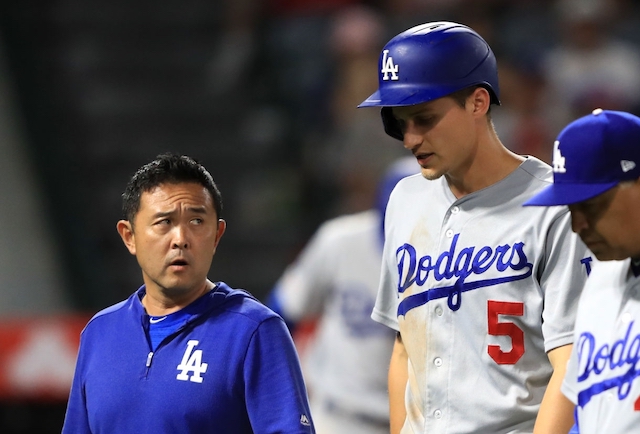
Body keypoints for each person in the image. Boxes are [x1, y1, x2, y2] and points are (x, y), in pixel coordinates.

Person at [357, 21, 593, 433]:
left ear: (478, 102)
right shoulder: (405, 200)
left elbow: (570, 362)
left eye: (424, 118)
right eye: (399, 123)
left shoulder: (554, 205)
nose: (410, 139)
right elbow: (403, 349)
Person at [61, 153, 315, 434]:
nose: (181, 239)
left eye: (196, 221)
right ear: (129, 237)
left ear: (217, 235)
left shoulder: (253, 331)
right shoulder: (100, 332)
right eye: (164, 222)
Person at [266, 156, 420, 434]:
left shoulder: (449, 261)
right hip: (336, 419)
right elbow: (280, 310)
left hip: (411, 424)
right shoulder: (340, 241)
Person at [524, 108, 640, 433]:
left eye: (590, 205)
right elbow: (584, 410)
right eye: (571, 209)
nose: (578, 226)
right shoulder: (598, 282)